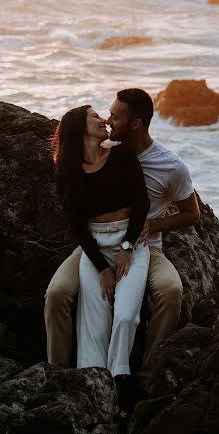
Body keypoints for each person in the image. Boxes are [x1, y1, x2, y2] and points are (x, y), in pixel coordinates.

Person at [45, 88, 200, 393]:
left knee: (170, 291)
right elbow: (76, 213)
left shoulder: (171, 166)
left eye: (115, 117)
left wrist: (152, 225)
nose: (108, 119)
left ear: (136, 124)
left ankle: (145, 377)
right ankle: (60, 377)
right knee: (57, 294)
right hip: (93, 243)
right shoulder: (104, 149)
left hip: (146, 245)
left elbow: (192, 214)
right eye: (106, 114)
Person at [50, 104, 150, 378]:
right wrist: (103, 270)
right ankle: (92, 383)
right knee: (93, 325)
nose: (104, 120)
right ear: (80, 127)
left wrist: (128, 248)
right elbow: (77, 226)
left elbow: (142, 203)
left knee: (126, 315)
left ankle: (119, 378)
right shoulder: (68, 170)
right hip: (94, 247)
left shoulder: (122, 155)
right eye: (95, 117)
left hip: (130, 244)